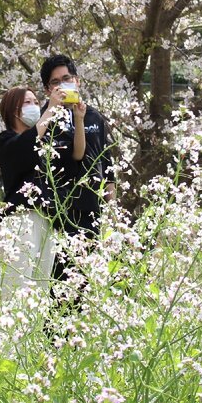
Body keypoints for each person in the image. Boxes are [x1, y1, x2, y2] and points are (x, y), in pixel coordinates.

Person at [37, 54, 116, 289]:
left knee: (84, 279)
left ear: (77, 81)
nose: (63, 85)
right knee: (58, 281)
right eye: (56, 82)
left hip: (91, 207)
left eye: (67, 78)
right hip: (59, 208)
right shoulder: (45, 119)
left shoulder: (92, 115)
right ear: (47, 89)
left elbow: (106, 162)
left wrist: (112, 208)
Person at [0, 86, 65, 300]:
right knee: (16, 289)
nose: (34, 106)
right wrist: (51, 108)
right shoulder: (6, 140)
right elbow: (26, 145)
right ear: (12, 110)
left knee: (41, 293)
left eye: (36, 102)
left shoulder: (43, 143)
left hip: (45, 219)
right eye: (27, 102)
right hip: (20, 219)